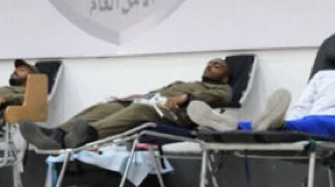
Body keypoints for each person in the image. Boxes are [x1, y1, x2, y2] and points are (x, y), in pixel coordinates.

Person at [188, 20, 335, 142]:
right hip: (311, 122)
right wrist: (290, 128)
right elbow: (303, 105)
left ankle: (275, 126)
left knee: (302, 123)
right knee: (289, 123)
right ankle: (230, 125)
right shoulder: (323, 75)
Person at [20, 58, 232, 149]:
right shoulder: (182, 83)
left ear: (225, 77)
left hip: (174, 117)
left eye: (217, 66)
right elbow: (154, 94)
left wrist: (185, 98)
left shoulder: (223, 90)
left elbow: (212, 101)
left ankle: (89, 135)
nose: (210, 66)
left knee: (141, 109)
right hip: (153, 104)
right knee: (109, 106)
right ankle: (58, 135)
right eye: (209, 64)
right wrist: (132, 96)